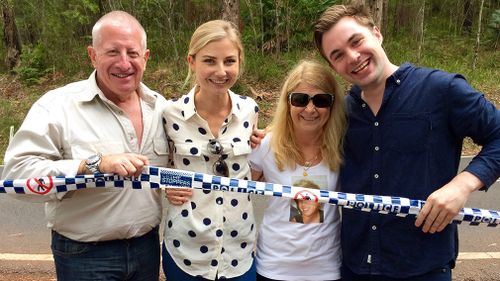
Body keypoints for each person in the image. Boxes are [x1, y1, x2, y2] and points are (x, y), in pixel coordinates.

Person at [312, 3, 500, 281]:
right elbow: (300, 139)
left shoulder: (441, 90)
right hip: (354, 268)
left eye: (356, 41)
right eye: (338, 55)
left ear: (376, 33)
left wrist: (463, 185)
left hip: (424, 268)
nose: (353, 57)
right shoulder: (339, 112)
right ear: (333, 65)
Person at [1, 11, 168, 281]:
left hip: (147, 250)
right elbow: (16, 175)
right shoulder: (57, 106)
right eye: (112, 51)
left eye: (132, 53)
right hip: (84, 257)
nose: (124, 62)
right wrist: (91, 165)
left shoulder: (162, 108)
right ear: (92, 55)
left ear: (146, 57)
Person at [161, 19, 259, 281]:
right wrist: (168, 185)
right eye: (209, 61)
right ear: (191, 62)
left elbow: (257, 166)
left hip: (239, 251)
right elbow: (160, 167)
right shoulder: (170, 114)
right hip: (186, 251)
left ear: (239, 61)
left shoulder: (250, 110)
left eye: (229, 61)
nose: (220, 71)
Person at [249, 60, 346, 281]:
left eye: (321, 100)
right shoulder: (265, 145)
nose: (310, 109)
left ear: (332, 105)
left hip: (327, 269)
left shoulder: (343, 148)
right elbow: (235, 192)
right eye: (300, 99)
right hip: (274, 267)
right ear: (288, 102)